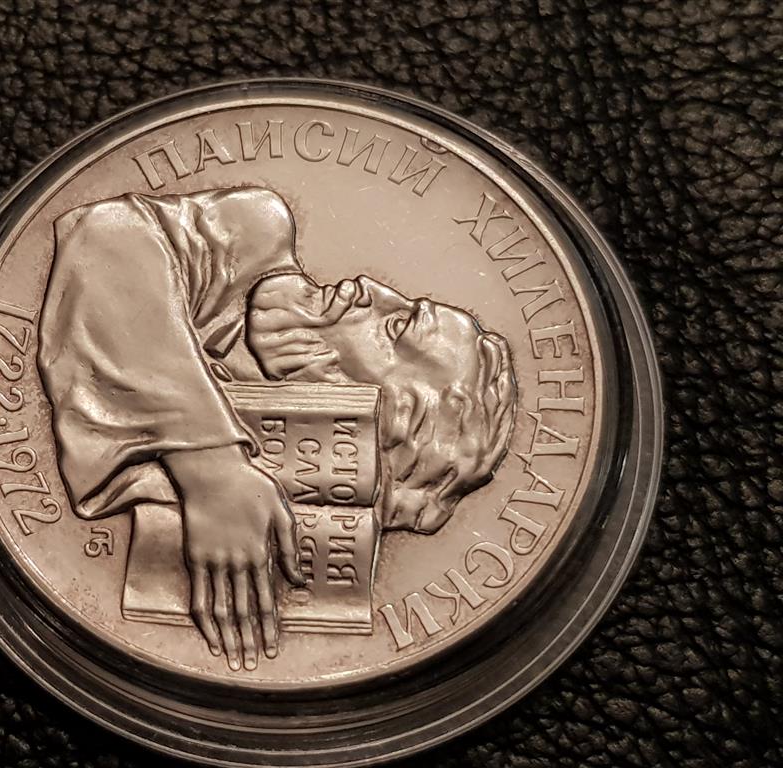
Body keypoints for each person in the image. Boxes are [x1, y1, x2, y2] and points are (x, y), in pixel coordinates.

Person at [37, 187, 515, 671]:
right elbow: (104, 235)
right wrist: (212, 471)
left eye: (395, 325)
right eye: (407, 304)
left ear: (378, 415)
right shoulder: (255, 232)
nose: (370, 287)